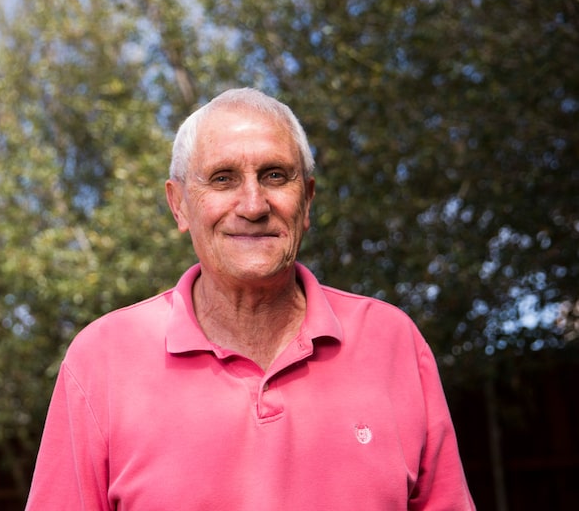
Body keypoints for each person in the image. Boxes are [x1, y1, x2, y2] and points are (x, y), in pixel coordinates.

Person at [24, 88, 475, 510]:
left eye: (275, 175)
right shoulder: (102, 360)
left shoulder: (392, 342)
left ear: (308, 201)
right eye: (223, 179)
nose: (254, 204)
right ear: (179, 204)